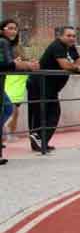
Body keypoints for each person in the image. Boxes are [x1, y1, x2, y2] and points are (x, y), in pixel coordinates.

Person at [27, 26, 80, 153]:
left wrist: (75, 67)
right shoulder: (57, 46)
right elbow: (65, 65)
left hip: (51, 86)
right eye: (68, 35)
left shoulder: (71, 47)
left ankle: (41, 141)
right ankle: (39, 139)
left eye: (74, 36)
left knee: (50, 112)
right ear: (60, 36)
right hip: (39, 83)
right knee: (45, 112)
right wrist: (75, 68)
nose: (72, 38)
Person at [1, 19, 37, 159]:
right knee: (10, 108)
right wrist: (22, 64)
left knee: (9, 109)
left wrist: (26, 63)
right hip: (11, 82)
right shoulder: (3, 43)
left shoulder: (11, 45)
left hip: (11, 81)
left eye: (15, 29)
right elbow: (9, 63)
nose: (13, 31)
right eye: (10, 28)